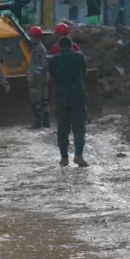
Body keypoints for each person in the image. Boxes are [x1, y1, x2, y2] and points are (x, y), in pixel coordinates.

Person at [49, 36, 89, 167]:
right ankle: (78, 155)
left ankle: (64, 158)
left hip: (61, 97)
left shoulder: (54, 59)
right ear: (72, 45)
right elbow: (84, 74)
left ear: (59, 46)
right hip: (78, 95)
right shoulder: (79, 57)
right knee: (79, 126)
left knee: (63, 127)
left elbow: (53, 77)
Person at [27, 26, 50, 129]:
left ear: (36, 37)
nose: (31, 38)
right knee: (44, 100)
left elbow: (40, 64)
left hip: (38, 78)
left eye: (32, 36)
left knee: (36, 101)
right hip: (43, 77)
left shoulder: (39, 49)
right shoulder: (39, 48)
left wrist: (33, 76)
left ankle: (38, 123)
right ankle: (46, 122)